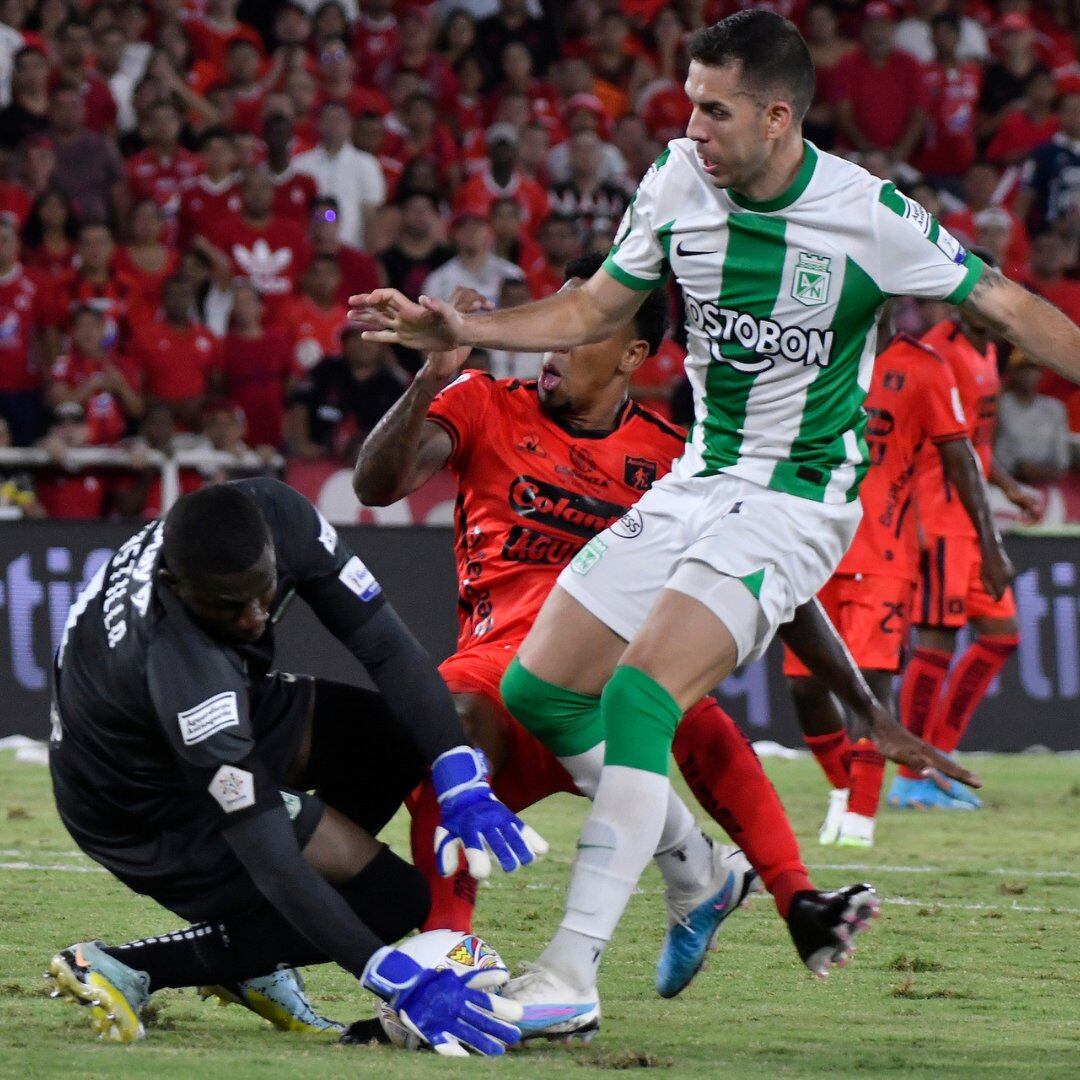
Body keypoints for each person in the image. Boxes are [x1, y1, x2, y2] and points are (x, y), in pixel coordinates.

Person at [349, 10, 1080, 1041]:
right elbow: (599, 306)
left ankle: (569, 973)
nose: (692, 127)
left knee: (643, 696)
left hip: (796, 499)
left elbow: (1004, 305)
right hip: (700, 479)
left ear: (779, 117)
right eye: (689, 103)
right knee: (538, 692)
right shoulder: (676, 182)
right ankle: (697, 870)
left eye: (714, 110)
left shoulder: (869, 215)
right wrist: (465, 330)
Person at [353, 263, 974, 990]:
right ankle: (453, 947)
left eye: (578, 331)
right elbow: (376, 485)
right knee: (445, 733)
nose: (551, 347)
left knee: (689, 708)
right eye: (550, 325)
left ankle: (793, 896)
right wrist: (430, 377)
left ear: (633, 357)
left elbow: (776, 587)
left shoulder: (680, 459)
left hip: (616, 672)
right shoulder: (484, 403)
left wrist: (867, 710)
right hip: (499, 675)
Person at [46, 479, 537, 1054]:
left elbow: (385, 645)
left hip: (223, 705)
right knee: (390, 900)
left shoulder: (277, 516)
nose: (256, 618)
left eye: (265, 593)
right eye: (231, 606)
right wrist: (390, 977)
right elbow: (273, 862)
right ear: (173, 586)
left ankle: (252, 951)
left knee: (395, 740)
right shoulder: (184, 667)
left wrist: (458, 774)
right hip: (134, 795)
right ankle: (125, 964)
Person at [784, 324, 1010, 842]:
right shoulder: (810, 350)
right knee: (803, 685)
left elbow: (960, 455)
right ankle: (843, 788)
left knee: (870, 684)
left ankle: (861, 821)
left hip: (884, 552)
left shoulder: (923, 366)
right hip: (813, 547)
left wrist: (989, 543)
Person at [893, 295, 1044, 811]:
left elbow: (973, 445)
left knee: (1001, 636)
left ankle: (941, 756)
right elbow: (929, 443)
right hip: (936, 516)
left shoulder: (986, 353)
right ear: (961, 304)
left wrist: (1009, 487)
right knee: (935, 644)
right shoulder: (937, 353)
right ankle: (912, 775)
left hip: (971, 518)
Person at [293, 100, 385, 250]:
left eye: (340, 119)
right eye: (329, 119)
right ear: (318, 124)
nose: (334, 124)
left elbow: (371, 214)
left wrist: (370, 251)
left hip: (352, 248)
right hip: (309, 248)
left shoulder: (367, 164)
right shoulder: (300, 165)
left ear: (350, 125)